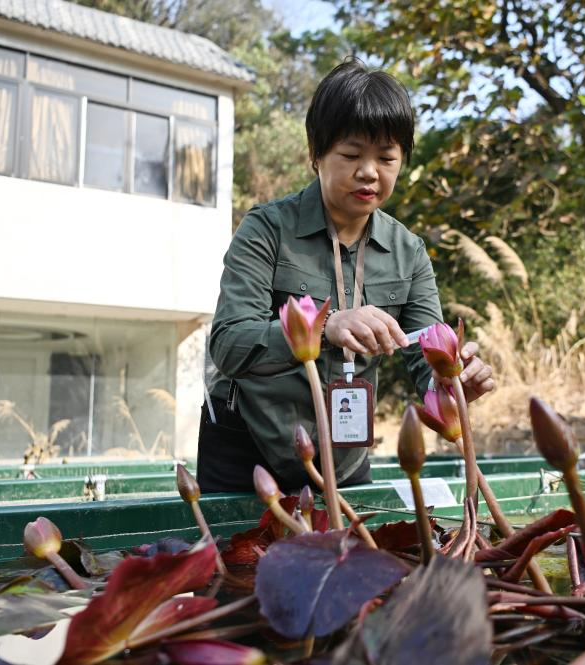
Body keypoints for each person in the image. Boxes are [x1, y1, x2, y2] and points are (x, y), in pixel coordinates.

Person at [199, 57, 495, 494]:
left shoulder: (408, 252)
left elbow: (424, 358)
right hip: (247, 453)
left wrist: (452, 383)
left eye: (387, 157)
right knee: (238, 564)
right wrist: (325, 326)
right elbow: (228, 342)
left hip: (346, 455)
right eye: (352, 154)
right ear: (315, 155)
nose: (370, 171)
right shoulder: (266, 229)